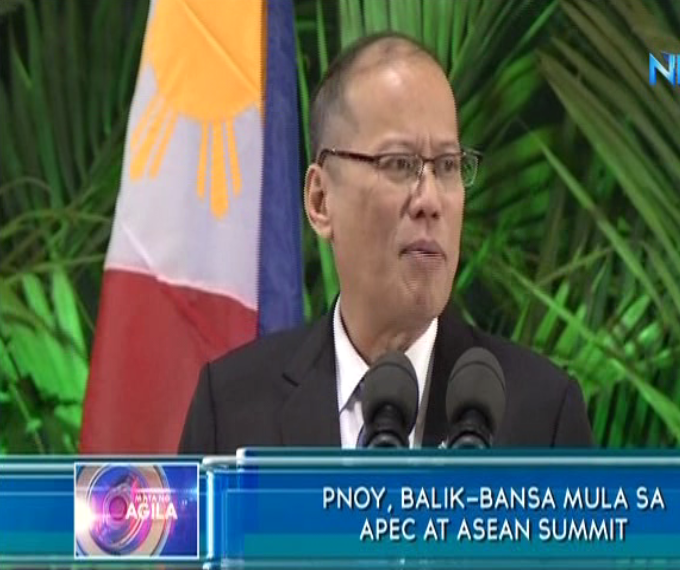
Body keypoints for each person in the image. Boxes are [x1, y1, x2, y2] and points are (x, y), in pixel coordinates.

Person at [179, 32, 593, 454]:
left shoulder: (542, 415)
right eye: (399, 164)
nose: (430, 201)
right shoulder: (232, 408)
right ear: (321, 201)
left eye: (447, 166)